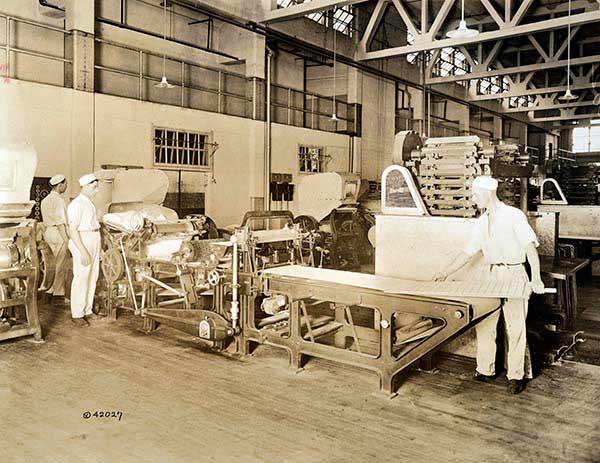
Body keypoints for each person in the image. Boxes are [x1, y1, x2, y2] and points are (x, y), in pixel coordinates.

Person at [433, 176, 545, 394]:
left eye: (475, 194)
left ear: (487, 192)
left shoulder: (513, 216)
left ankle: (515, 376)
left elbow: (530, 248)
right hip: (492, 274)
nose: (474, 200)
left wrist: (536, 278)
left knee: (515, 327)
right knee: (485, 322)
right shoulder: (482, 221)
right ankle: (485, 369)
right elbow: (468, 252)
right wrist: (445, 273)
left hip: (514, 273)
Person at [67, 174, 101, 326]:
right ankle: (77, 314)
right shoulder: (76, 204)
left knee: (92, 277)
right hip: (82, 240)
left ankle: (87, 310)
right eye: (94, 187)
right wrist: (83, 251)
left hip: (93, 237)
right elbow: (72, 230)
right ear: (86, 186)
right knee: (81, 277)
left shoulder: (89, 203)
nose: (97, 190)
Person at [40, 174, 69, 300]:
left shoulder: (45, 200)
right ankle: (57, 292)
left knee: (49, 265)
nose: (66, 186)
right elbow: (60, 222)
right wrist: (67, 240)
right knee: (60, 264)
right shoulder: (59, 201)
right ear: (60, 185)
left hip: (48, 233)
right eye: (65, 184)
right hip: (58, 233)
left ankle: (48, 290)